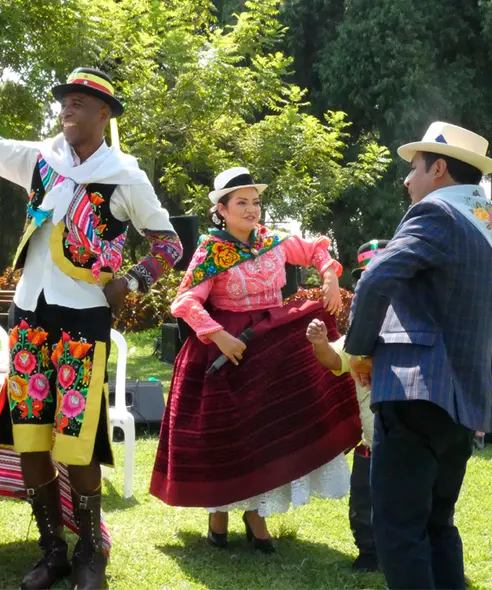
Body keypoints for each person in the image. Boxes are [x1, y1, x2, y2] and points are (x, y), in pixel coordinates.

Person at [0, 21, 183, 589]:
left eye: (81, 102)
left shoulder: (125, 176)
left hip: (83, 319)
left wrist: (133, 277)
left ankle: (90, 556)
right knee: (31, 435)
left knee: (77, 443)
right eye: (65, 102)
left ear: (106, 114)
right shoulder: (38, 160)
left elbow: (169, 244)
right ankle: (51, 549)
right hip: (29, 315)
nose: (67, 109)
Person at [149, 166, 362, 553]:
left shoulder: (273, 241)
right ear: (222, 210)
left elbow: (315, 249)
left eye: (255, 202)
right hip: (227, 350)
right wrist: (219, 335)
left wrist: (329, 276)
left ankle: (255, 514)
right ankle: (219, 514)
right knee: (228, 438)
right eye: (241, 203)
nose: (251, 210)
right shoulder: (211, 251)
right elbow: (185, 301)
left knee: (264, 433)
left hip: (271, 350)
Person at [345, 122, 492, 589]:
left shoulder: (437, 213)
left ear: (441, 168)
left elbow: (375, 277)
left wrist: (358, 351)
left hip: (415, 389)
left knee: (399, 531)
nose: (407, 180)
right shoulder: (486, 225)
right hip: (465, 401)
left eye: (413, 169)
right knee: (437, 525)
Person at [306, 239, 388, 573]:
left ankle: (411, 553)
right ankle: (369, 553)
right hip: (370, 444)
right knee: (363, 504)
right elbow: (333, 361)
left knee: (413, 503)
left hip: (409, 440)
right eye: (367, 277)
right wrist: (320, 343)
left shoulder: (417, 322)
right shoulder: (359, 330)